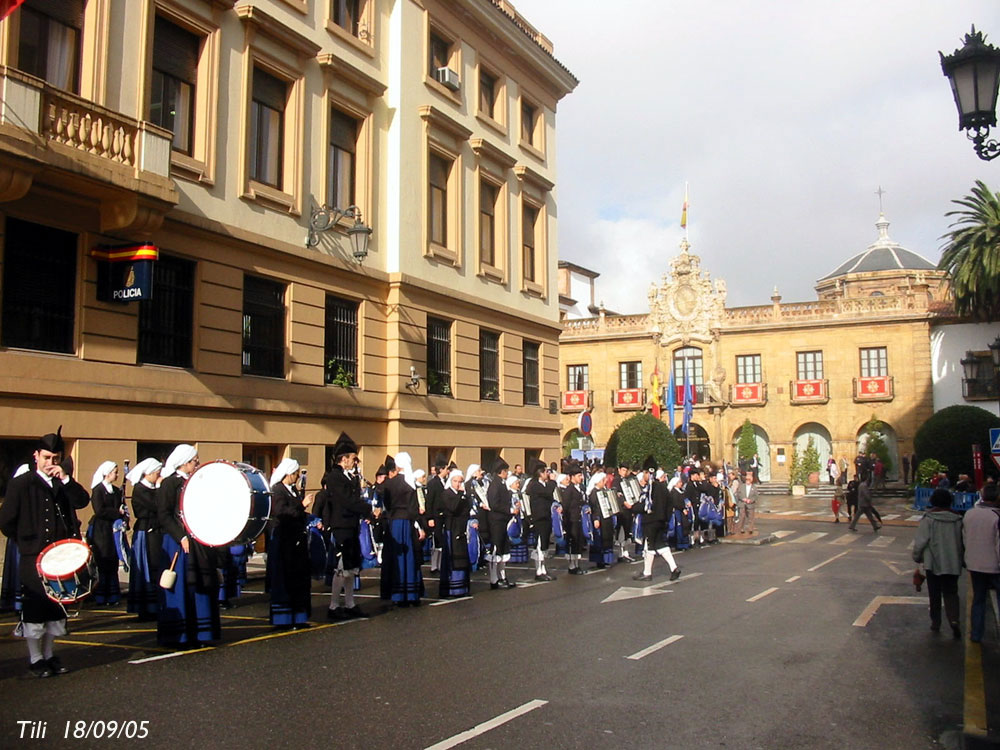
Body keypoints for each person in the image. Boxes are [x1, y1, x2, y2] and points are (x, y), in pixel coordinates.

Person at [0, 428, 90, 677]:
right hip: (33, 555)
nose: (51, 463)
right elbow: (6, 520)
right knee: (35, 606)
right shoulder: (21, 484)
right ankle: (35, 657)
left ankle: (50, 654)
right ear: (36, 456)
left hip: (60, 556)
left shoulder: (63, 483)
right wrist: (26, 541)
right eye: (47, 458)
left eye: (56, 459)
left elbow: (82, 500)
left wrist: (66, 479)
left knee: (56, 606)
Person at [156, 444, 220, 648]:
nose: (197, 464)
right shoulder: (169, 484)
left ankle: (200, 633)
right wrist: (180, 536)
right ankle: (179, 636)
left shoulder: (197, 482)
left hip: (198, 541)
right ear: (184, 463)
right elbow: (164, 515)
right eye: (194, 461)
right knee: (181, 587)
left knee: (200, 585)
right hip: (178, 542)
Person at [314, 432, 375, 619]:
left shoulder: (352, 478)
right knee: (341, 568)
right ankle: (333, 605)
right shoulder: (334, 478)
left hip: (351, 526)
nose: (355, 462)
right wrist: (369, 509)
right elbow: (348, 501)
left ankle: (350, 603)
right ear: (343, 459)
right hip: (341, 527)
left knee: (351, 568)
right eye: (353, 458)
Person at [912, 488, 963, 638]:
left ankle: (936, 622)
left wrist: (916, 556)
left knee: (934, 595)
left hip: (933, 563)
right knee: (951, 593)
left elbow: (921, 541)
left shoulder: (928, 519)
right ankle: (954, 620)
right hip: (953, 562)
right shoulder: (958, 520)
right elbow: (963, 541)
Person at [267, 458, 311, 629]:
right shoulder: (278, 491)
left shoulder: (293, 491)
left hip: (296, 539)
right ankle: (283, 618)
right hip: (284, 541)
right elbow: (282, 512)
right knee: (285, 578)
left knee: (298, 578)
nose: (297, 477)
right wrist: (302, 505)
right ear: (287, 474)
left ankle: (298, 616)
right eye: (295, 474)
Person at [379, 453, 425, 606]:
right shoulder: (410, 483)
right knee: (410, 556)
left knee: (396, 557)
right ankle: (411, 594)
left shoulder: (390, 483)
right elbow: (413, 509)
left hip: (395, 522)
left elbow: (386, 504)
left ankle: (398, 595)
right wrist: (419, 526)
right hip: (407, 522)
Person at [125, 458, 162, 620]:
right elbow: (156, 506)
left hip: (154, 530)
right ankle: (145, 607)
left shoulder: (152, 489)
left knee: (156, 567)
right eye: (157, 473)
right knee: (147, 566)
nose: (159, 475)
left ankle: (155, 605)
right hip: (145, 531)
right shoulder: (140, 489)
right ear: (149, 473)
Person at [86, 460, 127, 606]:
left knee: (113, 562)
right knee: (103, 562)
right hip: (101, 531)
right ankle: (102, 596)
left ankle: (113, 595)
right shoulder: (97, 490)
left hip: (113, 531)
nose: (117, 475)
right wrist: (117, 512)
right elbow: (99, 510)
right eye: (115, 472)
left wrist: (123, 514)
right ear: (107, 473)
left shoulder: (116, 491)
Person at [963, 483, 1000, 643]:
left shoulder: (969, 514)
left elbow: (965, 538)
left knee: (978, 599)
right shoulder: (996, 517)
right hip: (994, 566)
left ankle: (976, 634)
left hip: (974, 564)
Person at [633, 463, 682, 582]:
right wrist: (666, 518)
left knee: (648, 546)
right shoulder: (663, 487)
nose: (643, 475)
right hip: (661, 521)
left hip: (651, 521)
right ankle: (674, 568)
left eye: (645, 473)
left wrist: (633, 507)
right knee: (661, 545)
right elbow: (669, 504)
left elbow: (646, 506)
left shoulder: (651, 488)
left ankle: (647, 573)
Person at [439, 468, 472, 597]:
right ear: (450, 481)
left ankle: (462, 587)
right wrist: (460, 495)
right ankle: (451, 588)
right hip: (451, 528)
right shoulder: (446, 494)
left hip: (461, 527)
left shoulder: (462, 494)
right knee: (452, 558)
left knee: (461, 557)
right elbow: (452, 508)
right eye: (455, 481)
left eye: (460, 481)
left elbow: (467, 508)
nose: (458, 484)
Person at [524, 459, 554, 581]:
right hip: (538, 518)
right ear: (540, 473)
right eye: (545, 471)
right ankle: (538, 571)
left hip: (546, 516)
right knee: (539, 544)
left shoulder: (543, 484)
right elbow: (548, 491)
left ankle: (543, 569)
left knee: (544, 544)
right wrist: (552, 480)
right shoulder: (535, 485)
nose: (547, 473)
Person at [563, 462, 587, 575]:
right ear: (572, 477)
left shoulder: (581, 488)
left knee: (578, 542)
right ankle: (572, 565)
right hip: (571, 520)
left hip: (579, 519)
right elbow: (566, 506)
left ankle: (577, 564)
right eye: (578, 476)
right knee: (572, 542)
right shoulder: (569, 490)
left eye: (581, 475)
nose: (581, 477)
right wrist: (565, 523)